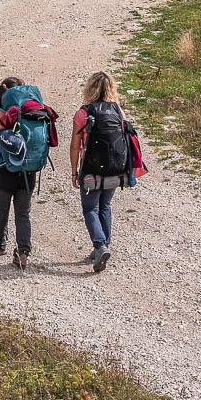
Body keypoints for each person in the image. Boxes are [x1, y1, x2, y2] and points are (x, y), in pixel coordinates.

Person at [0, 76, 57, 270]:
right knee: (23, 213)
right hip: (29, 170)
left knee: (1, 209)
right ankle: (23, 252)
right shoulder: (31, 113)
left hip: (5, 171)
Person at [69, 70, 133, 273]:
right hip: (115, 169)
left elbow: (74, 145)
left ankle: (99, 245)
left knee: (90, 209)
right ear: (111, 89)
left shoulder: (83, 113)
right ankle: (103, 245)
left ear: (89, 88)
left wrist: (74, 171)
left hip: (91, 170)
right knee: (105, 205)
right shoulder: (118, 111)